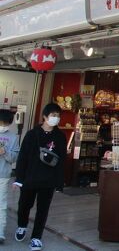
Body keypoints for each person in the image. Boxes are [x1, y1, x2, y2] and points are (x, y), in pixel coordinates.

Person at [14, 103, 66, 251]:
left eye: (58, 116)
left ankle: (36, 237)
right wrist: (19, 178)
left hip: (48, 180)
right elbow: (22, 157)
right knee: (24, 205)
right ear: (45, 116)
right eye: (53, 115)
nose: (56, 118)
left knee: (43, 209)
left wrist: (59, 181)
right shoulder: (32, 134)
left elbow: (62, 160)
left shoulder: (60, 137)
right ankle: (22, 226)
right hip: (30, 177)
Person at [0, 109, 19, 244]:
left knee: (1, 205)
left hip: (3, 175)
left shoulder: (13, 137)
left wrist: (4, 152)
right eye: (1, 122)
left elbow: (14, 158)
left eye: (6, 123)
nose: (3, 125)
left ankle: (0, 233)